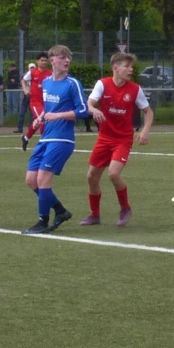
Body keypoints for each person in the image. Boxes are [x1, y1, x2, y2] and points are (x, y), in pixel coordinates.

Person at [23, 45, 89, 233]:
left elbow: (83, 111)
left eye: (68, 57)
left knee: (43, 179)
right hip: (46, 137)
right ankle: (60, 211)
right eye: (62, 57)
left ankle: (42, 222)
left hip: (62, 139)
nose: (67, 61)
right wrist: (42, 117)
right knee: (31, 180)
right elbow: (50, 108)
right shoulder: (47, 83)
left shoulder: (72, 84)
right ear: (52, 60)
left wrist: (58, 116)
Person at [84, 51, 153, 226]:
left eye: (131, 67)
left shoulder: (135, 89)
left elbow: (148, 112)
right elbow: (89, 104)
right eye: (126, 66)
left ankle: (125, 208)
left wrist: (145, 130)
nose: (131, 70)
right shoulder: (103, 84)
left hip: (123, 139)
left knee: (113, 174)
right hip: (104, 138)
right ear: (115, 68)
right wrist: (94, 109)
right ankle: (95, 215)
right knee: (91, 177)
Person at [21, 56, 49, 150]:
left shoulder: (50, 73)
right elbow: (23, 80)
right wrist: (25, 90)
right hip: (35, 102)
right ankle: (45, 142)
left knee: (37, 122)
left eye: (45, 60)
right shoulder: (32, 72)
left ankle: (26, 138)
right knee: (42, 120)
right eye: (42, 60)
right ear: (37, 61)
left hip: (46, 102)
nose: (44, 62)